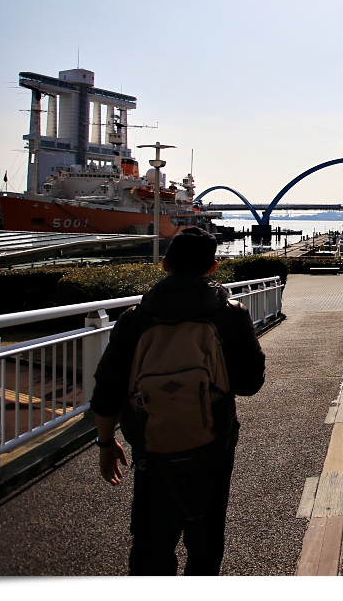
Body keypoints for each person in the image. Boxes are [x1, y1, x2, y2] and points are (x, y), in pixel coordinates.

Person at [91, 227, 266, 575]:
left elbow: (107, 386)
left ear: (164, 264)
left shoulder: (135, 319)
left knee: (151, 541)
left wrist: (106, 442)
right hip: (213, 442)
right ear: (213, 267)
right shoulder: (230, 314)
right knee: (206, 538)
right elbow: (250, 383)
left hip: (151, 445)